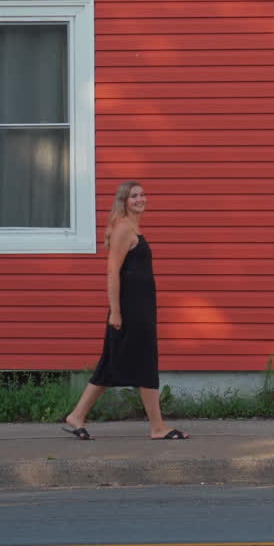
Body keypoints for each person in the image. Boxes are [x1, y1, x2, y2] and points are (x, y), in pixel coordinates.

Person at [62, 180, 188, 440]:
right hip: (130, 309)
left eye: (143, 194)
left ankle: (77, 416)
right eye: (134, 196)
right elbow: (112, 271)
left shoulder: (132, 227)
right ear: (124, 201)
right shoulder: (122, 229)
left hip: (140, 306)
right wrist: (116, 312)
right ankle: (157, 427)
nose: (140, 199)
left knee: (111, 364)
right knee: (145, 362)